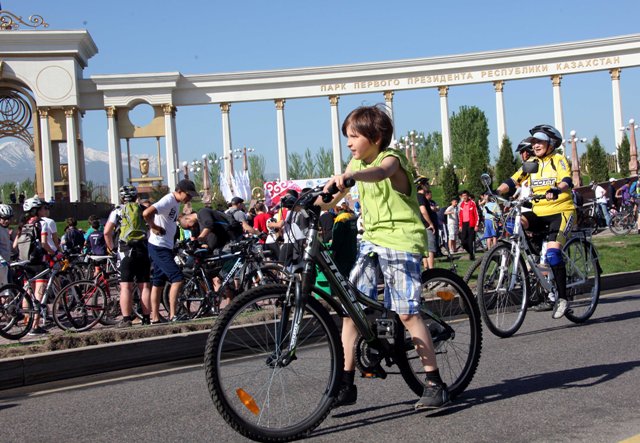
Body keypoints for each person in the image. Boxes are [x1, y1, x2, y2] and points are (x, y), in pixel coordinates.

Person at [322, 105, 449, 410]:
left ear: (376, 137)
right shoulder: (354, 163)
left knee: (406, 313)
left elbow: (380, 173)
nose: (349, 143)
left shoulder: (392, 159)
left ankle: (434, 382)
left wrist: (352, 175)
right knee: (351, 309)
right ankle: (346, 383)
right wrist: (305, 204)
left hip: (401, 241)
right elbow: (330, 200)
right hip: (371, 242)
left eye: (354, 136)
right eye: (347, 138)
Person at [496, 124, 576, 319]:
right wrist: (496, 192)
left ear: (550, 143)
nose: (536, 144)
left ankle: (563, 299)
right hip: (538, 212)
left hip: (561, 211)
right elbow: (513, 180)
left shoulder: (558, 160)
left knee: (554, 253)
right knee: (513, 222)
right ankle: (530, 257)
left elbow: (567, 179)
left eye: (539, 141)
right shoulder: (531, 162)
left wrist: (558, 189)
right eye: (534, 141)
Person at [143, 179, 197, 322]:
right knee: (177, 278)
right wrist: (153, 226)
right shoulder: (168, 200)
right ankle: (173, 315)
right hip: (159, 246)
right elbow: (147, 213)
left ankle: (154, 317)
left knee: (158, 281)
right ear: (180, 191)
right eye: (188, 194)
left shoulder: (176, 203)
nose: (190, 198)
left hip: (165, 246)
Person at [104, 186, 152, 327]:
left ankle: (126, 320)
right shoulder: (143, 210)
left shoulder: (117, 211)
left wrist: (112, 248)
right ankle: (146, 318)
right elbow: (151, 228)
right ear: (136, 196)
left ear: (121, 197)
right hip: (143, 249)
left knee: (126, 287)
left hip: (125, 250)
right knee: (144, 286)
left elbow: (107, 232)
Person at [415, 176, 438, 269]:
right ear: (422, 185)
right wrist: (430, 223)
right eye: (426, 184)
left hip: (421, 225)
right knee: (430, 249)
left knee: (425, 249)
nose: (428, 186)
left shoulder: (418, 197)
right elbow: (423, 210)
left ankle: (426, 268)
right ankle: (431, 271)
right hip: (426, 226)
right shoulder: (420, 196)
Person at [458, 190, 479, 260]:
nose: (464, 197)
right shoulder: (461, 204)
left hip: (471, 224)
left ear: (468, 196)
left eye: (465, 195)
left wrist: (476, 225)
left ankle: (471, 255)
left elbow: (476, 214)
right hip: (464, 224)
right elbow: (460, 216)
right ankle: (470, 252)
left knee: (470, 241)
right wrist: (460, 225)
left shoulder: (472, 203)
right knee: (463, 241)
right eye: (463, 196)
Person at [0, 204, 13, 286]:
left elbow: (8, 246)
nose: (7, 221)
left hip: (6, 264)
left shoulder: (5, 229)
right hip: (2, 265)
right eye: (4, 218)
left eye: (9, 218)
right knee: (5, 295)